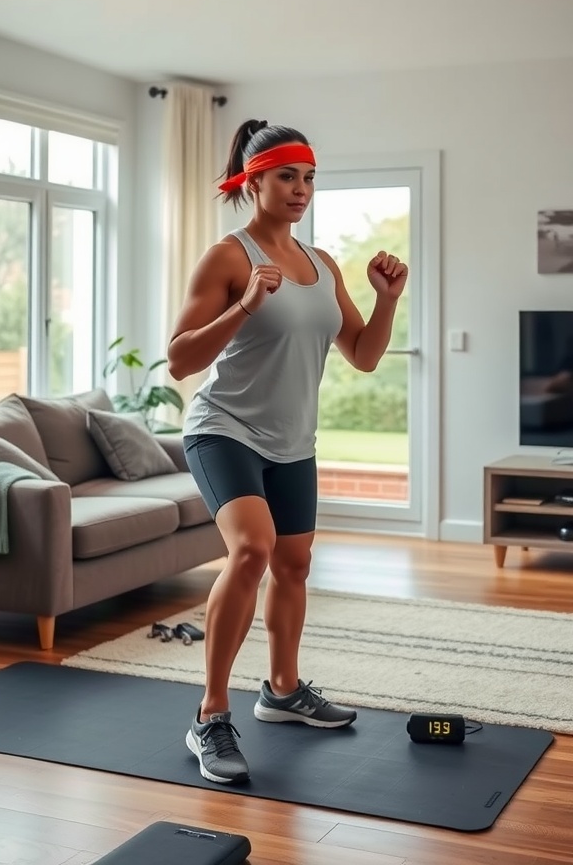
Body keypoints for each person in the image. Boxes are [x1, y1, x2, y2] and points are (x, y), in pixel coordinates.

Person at [167, 119, 408, 785]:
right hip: (223, 430)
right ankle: (210, 715)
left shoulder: (323, 264)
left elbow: (363, 355)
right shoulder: (227, 257)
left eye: (308, 178)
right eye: (286, 177)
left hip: (293, 441)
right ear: (254, 182)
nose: (301, 189)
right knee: (252, 550)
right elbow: (179, 360)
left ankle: (282, 689)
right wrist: (245, 304)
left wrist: (388, 301)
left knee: (294, 565)